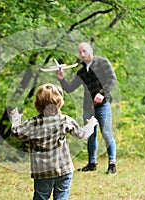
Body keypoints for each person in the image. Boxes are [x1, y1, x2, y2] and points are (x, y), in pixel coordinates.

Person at [10, 83, 97, 200]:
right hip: (64, 170)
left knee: (41, 197)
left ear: (37, 105)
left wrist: (16, 118)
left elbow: (17, 132)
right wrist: (91, 124)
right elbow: (82, 134)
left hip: (43, 173)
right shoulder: (65, 120)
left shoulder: (33, 123)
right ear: (59, 103)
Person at [56, 42, 118, 174]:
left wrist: (102, 93)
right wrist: (62, 79)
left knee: (106, 133)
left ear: (90, 50)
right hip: (88, 107)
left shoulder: (102, 63)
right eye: (80, 52)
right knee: (90, 134)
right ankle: (92, 163)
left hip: (103, 105)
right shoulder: (82, 71)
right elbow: (70, 88)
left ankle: (112, 164)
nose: (82, 54)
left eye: (84, 51)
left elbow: (112, 79)